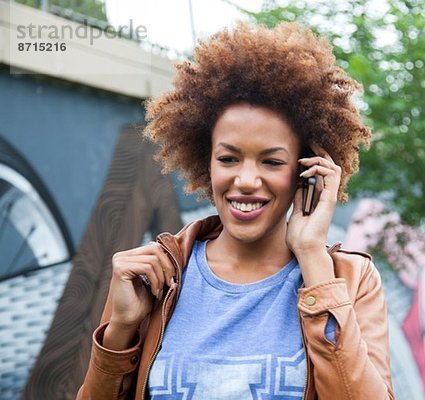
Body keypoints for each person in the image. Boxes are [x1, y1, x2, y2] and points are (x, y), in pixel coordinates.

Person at [77, 21, 394, 399]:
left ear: (305, 171)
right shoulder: (154, 278)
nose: (245, 179)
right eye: (228, 158)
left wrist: (312, 258)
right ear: (205, 162)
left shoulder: (350, 279)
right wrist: (121, 329)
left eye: (272, 162)